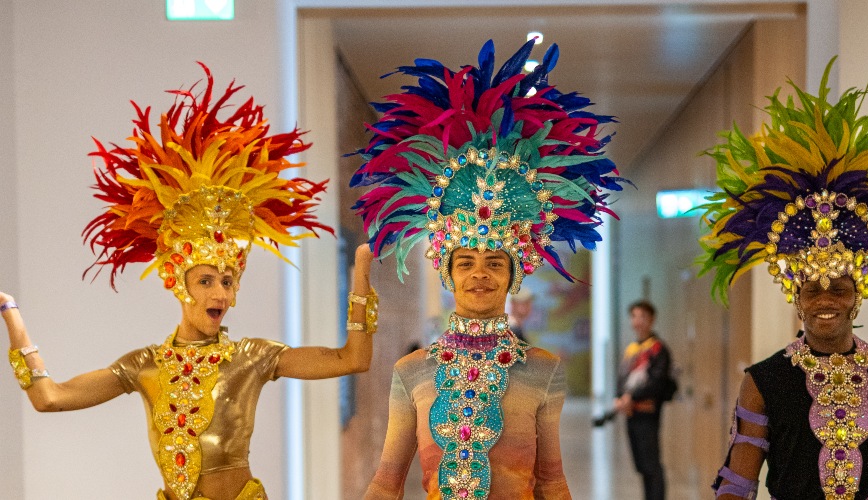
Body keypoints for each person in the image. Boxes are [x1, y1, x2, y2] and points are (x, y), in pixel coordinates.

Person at [3, 65, 379, 500]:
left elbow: (352, 359)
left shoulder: (252, 357)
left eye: (227, 280)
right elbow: (50, 398)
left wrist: (360, 286)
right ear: (177, 283)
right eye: (206, 280)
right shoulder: (143, 365)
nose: (220, 293)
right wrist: (11, 316)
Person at [351, 38, 625, 498]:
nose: (480, 273)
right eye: (467, 262)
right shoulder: (411, 371)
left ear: (514, 274)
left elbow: (552, 481)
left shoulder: (546, 371)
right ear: (447, 273)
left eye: (495, 262)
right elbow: (386, 480)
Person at [700, 60, 868, 499]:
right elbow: (738, 481)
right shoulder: (764, 381)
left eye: (840, 287)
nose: (825, 299)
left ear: (858, 295)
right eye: (812, 288)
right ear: (797, 296)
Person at [613, 300, 670, 500]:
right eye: (634, 316)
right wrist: (619, 398)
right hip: (631, 413)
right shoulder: (631, 349)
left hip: (648, 414)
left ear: (651, 320)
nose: (638, 321)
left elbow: (656, 382)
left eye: (643, 317)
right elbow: (622, 378)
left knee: (651, 464)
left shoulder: (658, 349)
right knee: (642, 465)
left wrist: (631, 397)